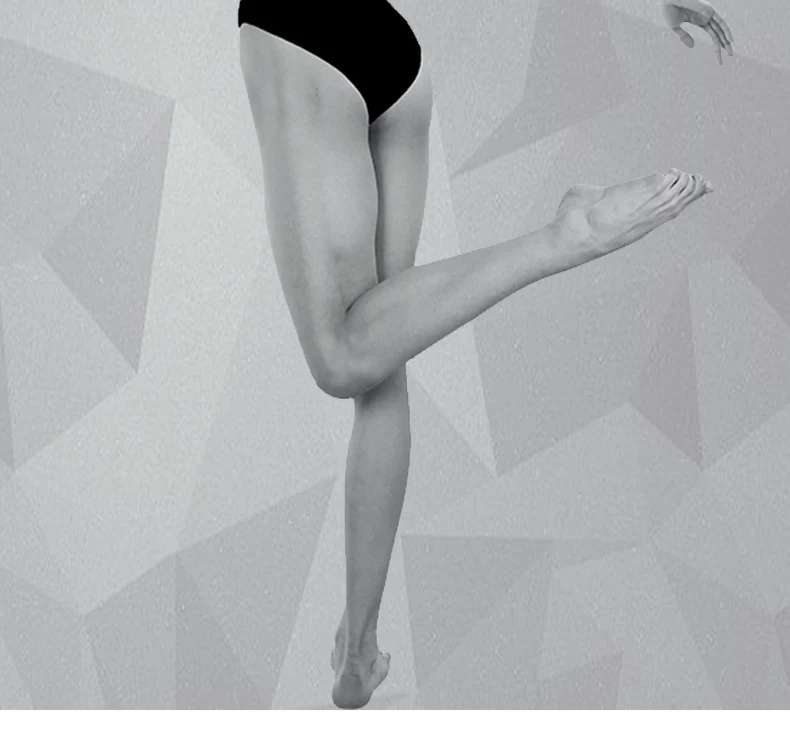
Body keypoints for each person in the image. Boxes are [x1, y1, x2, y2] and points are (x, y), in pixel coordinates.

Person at [237, 0, 734, 709]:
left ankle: (563, 238)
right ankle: (359, 651)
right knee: (385, 350)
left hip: (302, 36)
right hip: (392, 57)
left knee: (342, 354)